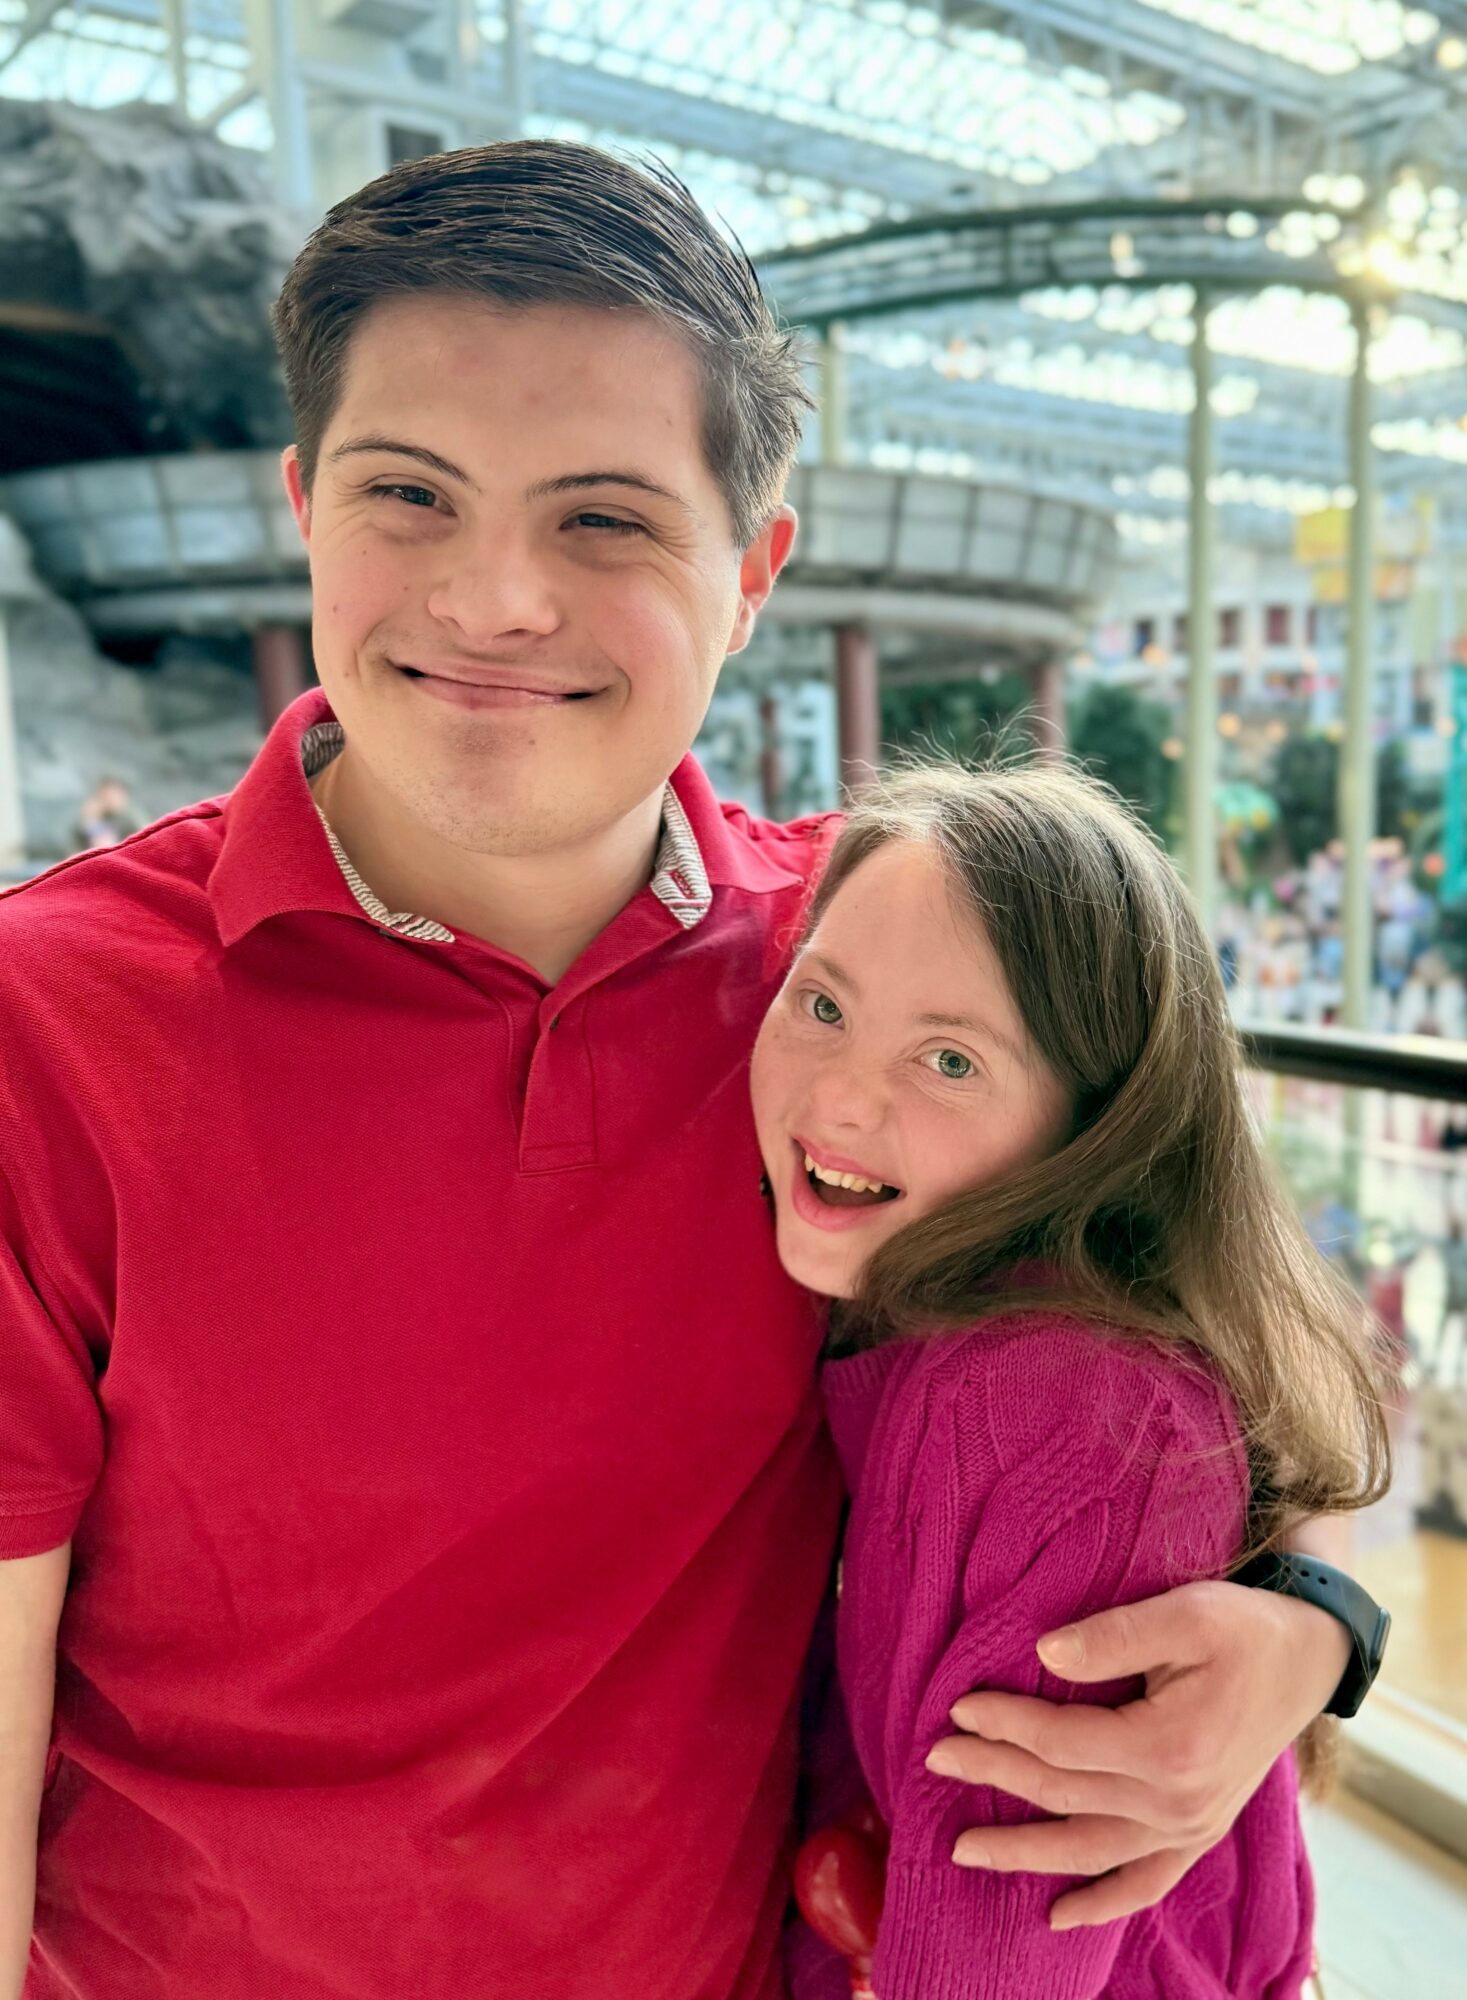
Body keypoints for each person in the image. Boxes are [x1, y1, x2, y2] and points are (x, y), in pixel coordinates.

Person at [0, 143, 1371, 2000]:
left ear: (751, 578)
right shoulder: (48, 1024)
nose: (493, 597)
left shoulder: (864, 991)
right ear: (305, 505)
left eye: (603, 519)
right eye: (409, 493)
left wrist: (1310, 1624)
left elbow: (1212, 1306)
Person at [752, 765, 1387, 1998]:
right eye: (821, 1003)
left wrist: (1327, 1620)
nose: (839, 1096)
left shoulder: (1052, 1414)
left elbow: (1003, 1935)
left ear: (1101, 1127)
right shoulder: (931, 1270)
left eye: (950, 1059)